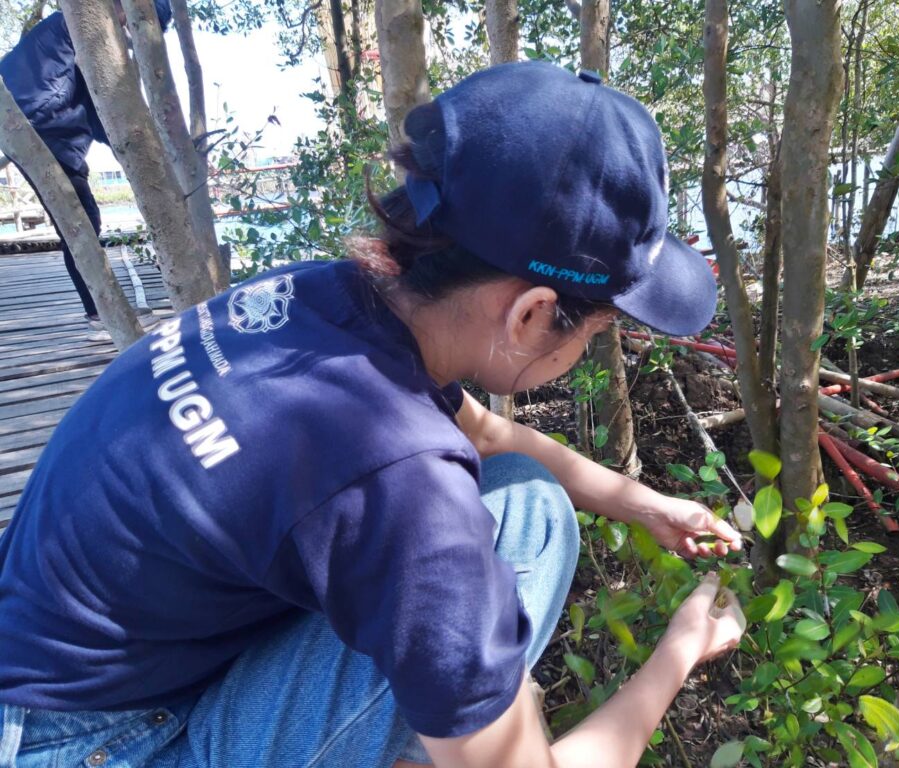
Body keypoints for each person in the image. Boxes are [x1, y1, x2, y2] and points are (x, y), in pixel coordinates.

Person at [0, 61, 746, 768]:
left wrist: (642, 503)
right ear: (531, 315)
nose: (589, 346)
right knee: (518, 540)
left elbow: (485, 434)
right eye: (596, 329)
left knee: (525, 497)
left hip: (49, 660)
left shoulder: (322, 299)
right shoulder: (406, 486)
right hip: (93, 745)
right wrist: (678, 653)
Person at [0, 0, 170, 332]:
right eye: (133, 27)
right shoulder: (84, 29)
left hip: (40, 129)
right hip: (41, 131)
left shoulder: (68, 27)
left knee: (82, 221)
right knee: (80, 224)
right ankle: (101, 315)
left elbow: (95, 111)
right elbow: (99, 103)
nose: (130, 38)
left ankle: (99, 313)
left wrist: (130, 145)